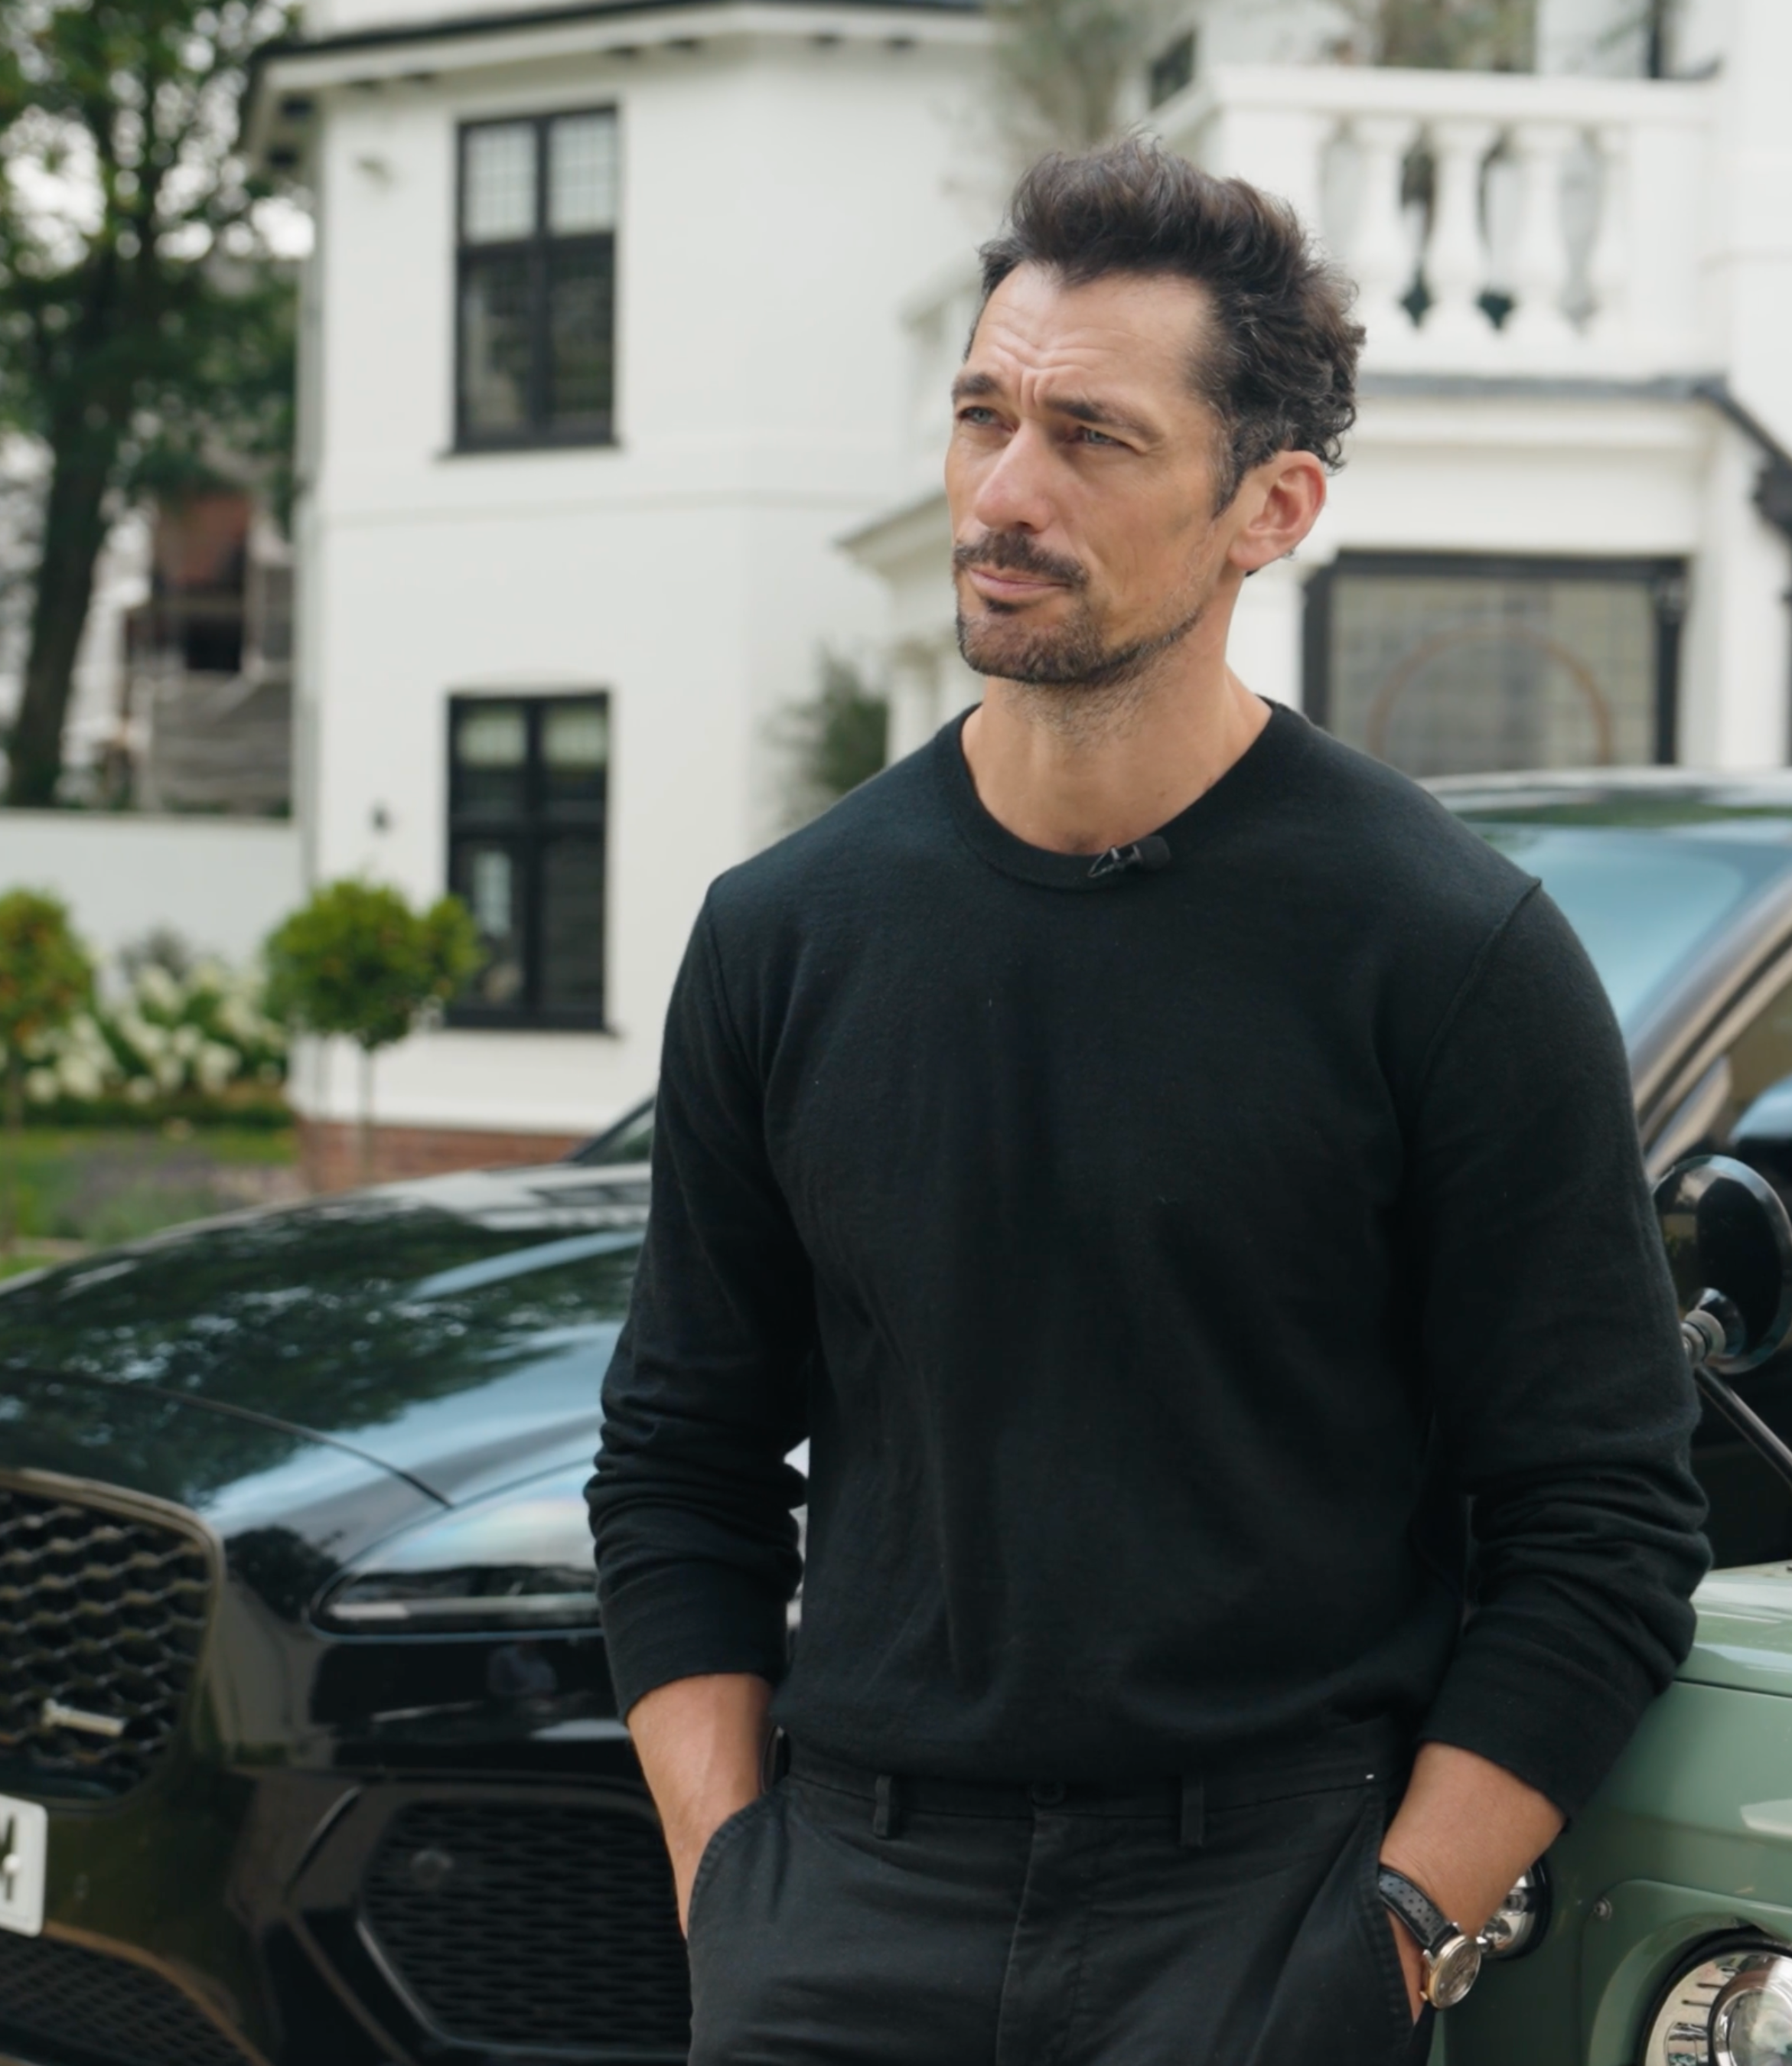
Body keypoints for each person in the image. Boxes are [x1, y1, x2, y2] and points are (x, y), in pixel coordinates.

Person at [586, 140, 1709, 2066]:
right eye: (983, 416)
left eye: (1092, 437)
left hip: (1264, 1916)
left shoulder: (1450, 953)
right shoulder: (782, 934)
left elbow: (1601, 1518)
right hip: (844, 1907)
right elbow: (681, 1456)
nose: (1003, 494)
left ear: (1273, 505)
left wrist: (1391, 1939)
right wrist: (734, 1885)